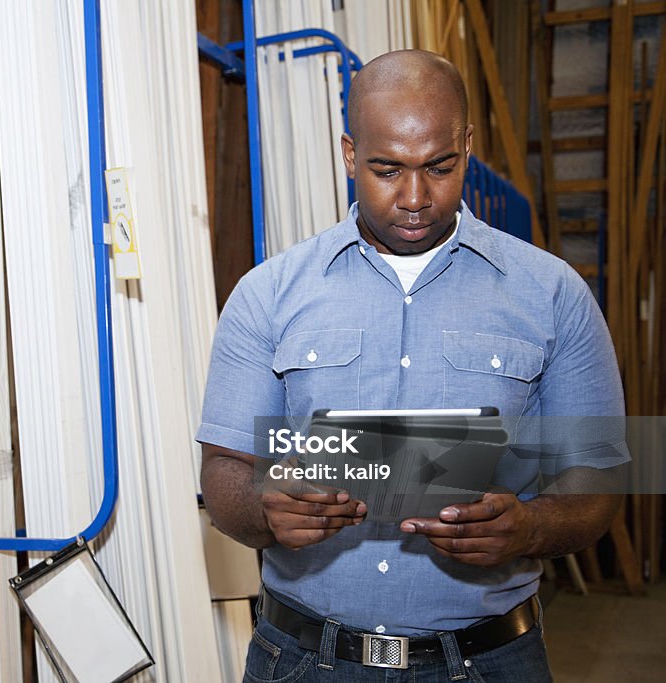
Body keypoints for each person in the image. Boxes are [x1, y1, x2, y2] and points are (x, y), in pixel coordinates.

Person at [197, 50, 626, 682]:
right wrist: (266, 508)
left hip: (489, 662)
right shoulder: (267, 295)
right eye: (386, 169)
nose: (416, 197)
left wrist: (530, 527)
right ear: (349, 155)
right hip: (304, 662)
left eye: (440, 167)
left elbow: (598, 482)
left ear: (468, 147)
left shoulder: (552, 294)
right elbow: (224, 472)